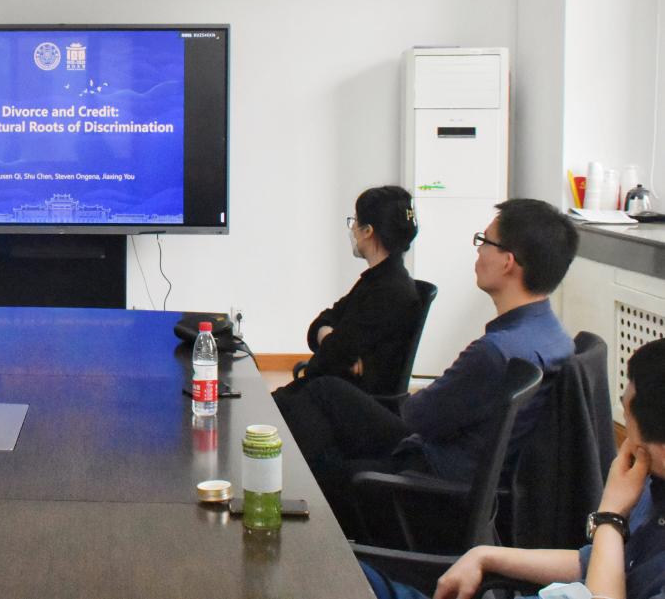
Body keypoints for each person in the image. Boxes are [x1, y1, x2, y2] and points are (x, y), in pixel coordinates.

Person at [275, 198, 579, 539]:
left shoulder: (496, 352)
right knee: (323, 392)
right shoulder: (553, 337)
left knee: (320, 448)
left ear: (507, 262)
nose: (478, 251)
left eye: (484, 241)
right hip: (456, 469)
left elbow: (417, 416)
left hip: (430, 486)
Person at [362, 337, 665, 599]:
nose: (626, 444)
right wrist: (486, 555)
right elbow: (595, 563)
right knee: (360, 578)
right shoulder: (652, 484)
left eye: (628, 421)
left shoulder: (629, 491)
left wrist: (610, 516)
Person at [275, 185, 421, 397]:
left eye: (355, 222)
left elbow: (327, 359)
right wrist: (332, 341)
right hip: (334, 392)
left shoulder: (387, 291)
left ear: (368, 231)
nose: (352, 230)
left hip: (346, 400)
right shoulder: (379, 280)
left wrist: (334, 347)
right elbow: (322, 325)